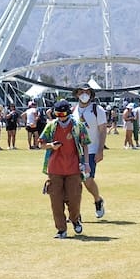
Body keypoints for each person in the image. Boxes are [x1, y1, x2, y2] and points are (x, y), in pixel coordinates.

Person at [40, 100, 90, 238]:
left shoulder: (78, 126)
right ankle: (61, 229)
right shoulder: (51, 126)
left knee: (74, 199)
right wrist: (51, 145)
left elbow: (85, 144)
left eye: (63, 114)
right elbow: (41, 144)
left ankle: (75, 219)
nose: (61, 117)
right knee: (56, 201)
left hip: (73, 169)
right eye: (58, 114)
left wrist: (86, 163)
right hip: (54, 169)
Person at [73, 85, 108, 219]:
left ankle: (97, 199)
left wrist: (100, 150)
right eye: (81, 91)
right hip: (76, 151)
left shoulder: (97, 110)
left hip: (92, 150)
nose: (84, 94)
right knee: (74, 183)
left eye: (87, 92)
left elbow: (103, 130)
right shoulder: (74, 110)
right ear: (77, 94)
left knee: (88, 180)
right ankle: (75, 212)